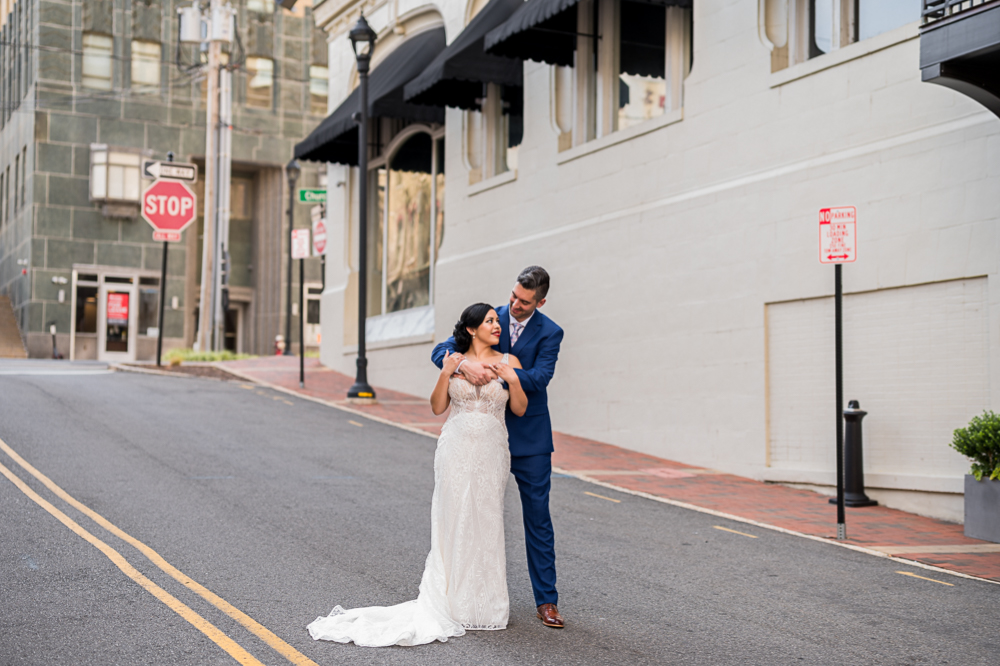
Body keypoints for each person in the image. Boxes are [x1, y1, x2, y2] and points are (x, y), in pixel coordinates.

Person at [308, 303, 527, 647]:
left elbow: (519, 408)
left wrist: (513, 380)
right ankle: (451, 600)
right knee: (453, 518)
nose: (496, 326)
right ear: (472, 329)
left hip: (492, 451)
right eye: (489, 321)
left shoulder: (509, 362)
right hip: (455, 448)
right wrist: (446, 374)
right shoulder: (453, 360)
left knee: (486, 520)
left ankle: (485, 607)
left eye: (497, 321)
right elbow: (438, 407)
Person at [431, 266, 565, 629]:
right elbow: (443, 349)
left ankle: (547, 601)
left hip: (529, 436)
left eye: (524, 302)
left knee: (538, 517)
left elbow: (539, 378)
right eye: (513, 297)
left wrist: (502, 371)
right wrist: (463, 369)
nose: (514, 306)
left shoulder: (551, 332)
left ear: (540, 301)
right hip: (481, 438)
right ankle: (461, 592)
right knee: (472, 513)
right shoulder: (491, 317)